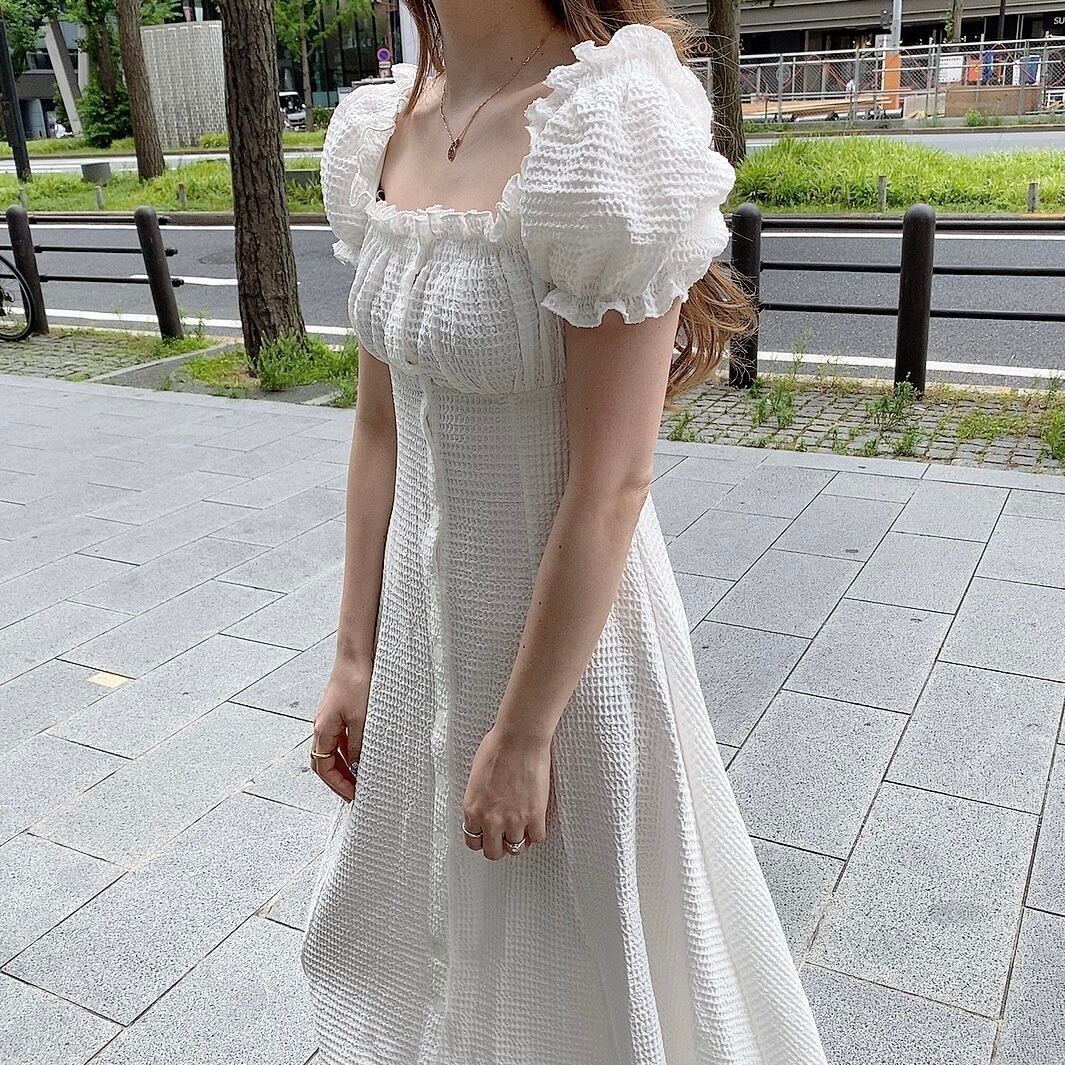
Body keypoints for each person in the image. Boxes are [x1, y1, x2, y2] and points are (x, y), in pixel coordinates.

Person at [300, 3, 830, 1063]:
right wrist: (354, 655)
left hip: (571, 672)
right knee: (436, 947)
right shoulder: (385, 126)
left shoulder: (606, 129)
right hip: (421, 655)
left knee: (588, 966)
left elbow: (613, 481)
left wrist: (525, 732)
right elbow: (378, 428)